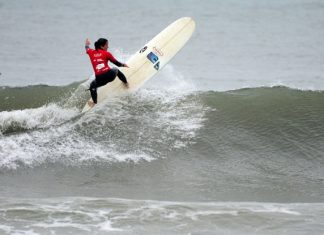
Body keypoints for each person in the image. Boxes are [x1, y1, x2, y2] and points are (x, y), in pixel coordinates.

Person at [85, 38, 129, 108]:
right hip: (109, 75)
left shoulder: (91, 52)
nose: (108, 47)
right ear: (102, 46)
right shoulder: (107, 54)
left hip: (100, 79)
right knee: (116, 69)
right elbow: (117, 63)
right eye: (106, 45)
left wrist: (87, 44)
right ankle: (126, 83)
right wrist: (123, 65)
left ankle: (94, 102)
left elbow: (87, 49)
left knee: (92, 85)